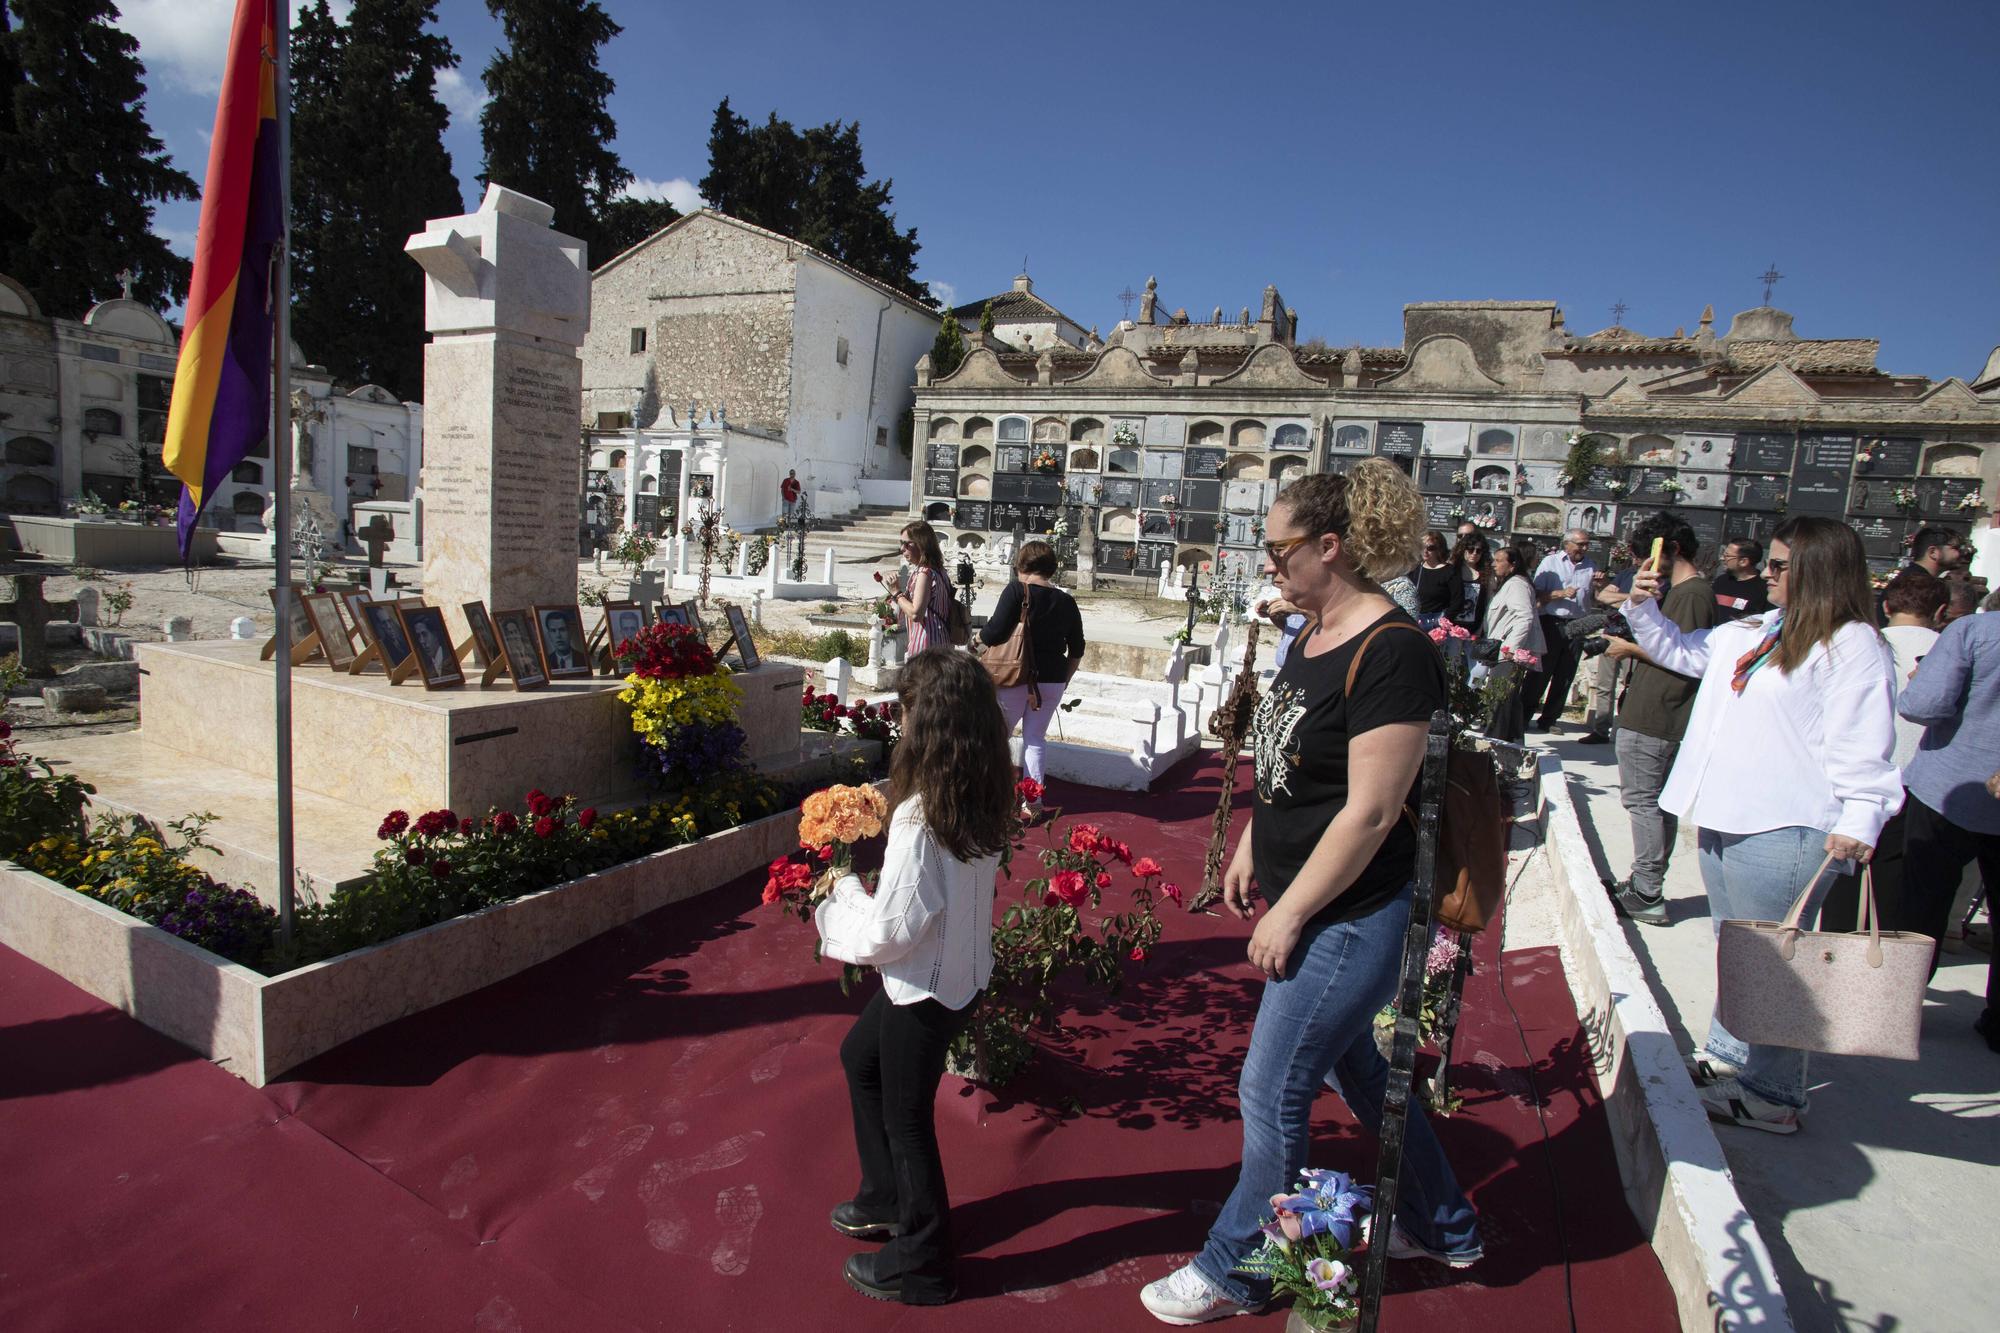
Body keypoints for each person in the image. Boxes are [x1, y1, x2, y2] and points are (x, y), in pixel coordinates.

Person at [1140, 460, 1481, 1326]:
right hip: (1308, 893)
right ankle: (1445, 1221)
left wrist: (1293, 910)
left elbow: (1370, 810)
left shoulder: (1393, 651)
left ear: (1329, 548)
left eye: (1278, 548)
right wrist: (1255, 835)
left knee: (1273, 1086)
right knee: (1352, 1063)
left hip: (1354, 910)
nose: (1268, 563)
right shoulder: (1310, 633)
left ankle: (1238, 1268)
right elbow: (1293, 758)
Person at [1622, 516, 1901, 1133]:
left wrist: (1862, 815)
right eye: (1769, 565)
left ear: (1818, 573)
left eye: (1779, 567)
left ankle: (1773, 1094)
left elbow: (1865, 741)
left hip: (1791, 824)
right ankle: (1729, 1058)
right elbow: (1686, 655)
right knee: (1738, 948)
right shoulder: (1763, 628)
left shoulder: (1851, 645)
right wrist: (1643, 606)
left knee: (1777, 966)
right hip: (1729, 813)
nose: (1763, 575)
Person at [815, 648, 1012, 1305]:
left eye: (904, 711)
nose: (898, 723)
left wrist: (837, 898)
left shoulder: (922, 813)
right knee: (859, 1057)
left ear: (927, 722)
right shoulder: (978, 789)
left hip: (923, 987)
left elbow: (891, 930)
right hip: (959, 975)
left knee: (907, 1120)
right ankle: (884, 1196)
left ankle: (925, 1263)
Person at [1891, 601, 2000, 1051]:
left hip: (1949, 786)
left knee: (1923, 902)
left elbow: (1924, 705)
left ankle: (1898, 1010)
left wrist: (1919, 680)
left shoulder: (1974, 631)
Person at [1822, 567, 1946, 940]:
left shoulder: (1855, 645)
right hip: (1921, 792)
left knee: (1845, 889)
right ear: (1941, 612)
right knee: (1901, 898)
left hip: (1856, 786)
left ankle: (1835, 959)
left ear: (1887, 605)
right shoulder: (1949, 652)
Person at [1606, 515, 1716, 925]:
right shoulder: (1686, 591)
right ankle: (1643, 881)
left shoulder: (1692, 594)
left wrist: (1629, 649)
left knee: (1643, 803)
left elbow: (1683, 656)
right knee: (1653, 802)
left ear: (1669, 549)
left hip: (1657, 714)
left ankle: (1648, 891)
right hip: (1653, 711)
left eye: (1649, 554)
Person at [979, 540, 1086, 817]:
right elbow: (1077, 647)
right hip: (1051, 681)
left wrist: (974, 642)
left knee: (996, 737)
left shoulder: (1017, 591)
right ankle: (1033, 802)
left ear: (1022, 564)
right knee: (1035, 740)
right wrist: (1065, 679)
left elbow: (994, 632)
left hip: (1015, 676)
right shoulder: (1066, 600)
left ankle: (991, 797)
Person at [1522, 529, 1600, 731]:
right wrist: (1560, 593)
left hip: (1577, 624)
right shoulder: (1551, 563)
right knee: (1540, 671)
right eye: (1580, 544)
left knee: (1566, 674)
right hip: (1552, 623)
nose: (1584, 548)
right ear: (1567, 544)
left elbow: (1595, 596)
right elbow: (1537, 593)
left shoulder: (1590, 566)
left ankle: (1549, 719)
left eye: (1586, 544)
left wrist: (1602, 585)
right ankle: (1523, 714)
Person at [1481, 545, 1545, 744]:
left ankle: (1496, 741)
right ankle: (1514, 742)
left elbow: (1524, 617)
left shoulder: (1517, 584)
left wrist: (1510, 649)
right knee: (1509, 700)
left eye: (1499, 560)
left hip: (1509, 653)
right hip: (1505, 651)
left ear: (1513, 564)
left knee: (1499, 698)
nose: (1494, 564)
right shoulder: (1509, 583)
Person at [892, 522, 952, 653]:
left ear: (922, 544)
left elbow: (916, 614)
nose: (902, 548)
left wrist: (896, 593)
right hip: (941, 641)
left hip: (926, 645)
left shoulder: (925, 573)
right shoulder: (939, 570)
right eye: (901, 543)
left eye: (907, 544)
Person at [1712, 538, 1772, 623]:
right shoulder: (1720, 581)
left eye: (1727, 556)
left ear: (1743, 561)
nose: (1722, 558)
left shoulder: (1765, 589)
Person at [1448, 532, 1493, 632]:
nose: (1474, 553)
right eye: (1470, 549)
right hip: (1450, 626)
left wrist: (1480, 629)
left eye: (1478, 551)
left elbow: (1487, 603)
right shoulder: (1453, 570)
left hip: (1473, 628)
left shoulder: (1486, 574)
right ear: (1463, 549)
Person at [1412, 530, 1457, 630]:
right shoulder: (1416, 569)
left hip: (1439, 625)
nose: (1425, 551)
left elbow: (1457, 602)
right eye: (1422, 546)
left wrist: (1443, 622)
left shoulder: (1449, 571)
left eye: (1430, 548)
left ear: (1439, 549)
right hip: (1418, 622)